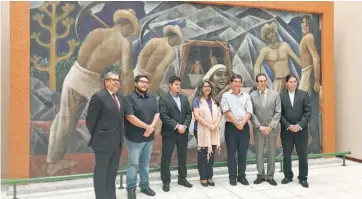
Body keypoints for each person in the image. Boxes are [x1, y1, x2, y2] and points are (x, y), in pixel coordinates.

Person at [46, 9, 138, 175]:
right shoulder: (125, 44)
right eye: (131, 30)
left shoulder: (96, 32)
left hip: (74, 74)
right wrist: (129, 96)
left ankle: (53, 162)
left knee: (64, 119)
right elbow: (126, 73)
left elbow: (86, 55)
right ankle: (111, 159)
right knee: (113, 118)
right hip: (90, 79)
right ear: (127, 25)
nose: (131, 33)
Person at [85, 72, 124, 199]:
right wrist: (99, 135)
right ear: (106, 82)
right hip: (103, 143)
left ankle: (111, 196)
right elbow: (90, 121)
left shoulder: (119, 96)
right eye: (113, 80)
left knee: (112, 172)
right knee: (101, 173)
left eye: (118, 80)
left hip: (117, 142)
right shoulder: (99, 97)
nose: (117, 82)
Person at [123, 75, 159, 199]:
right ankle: (131, 188)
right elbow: (129, 116)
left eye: (146, 82)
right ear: (135, 83)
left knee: (145, 163)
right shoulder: (129, 98)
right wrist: (147, 127)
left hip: (149, 137)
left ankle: (144, 186)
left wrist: (151, 128)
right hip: (134, 138)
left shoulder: (152, 97)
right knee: (133, 164)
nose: (145, 84)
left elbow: (157, 113)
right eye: (142, 82)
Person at [159, 76, 193, 192]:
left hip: (183, 133)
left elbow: (189, 113)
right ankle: (166, 181)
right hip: (169, 133)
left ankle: (182, 178)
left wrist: (184, 125)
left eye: (179, 84)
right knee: (166, 158)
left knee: (182, 156)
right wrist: (176, 126)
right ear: (170, 85)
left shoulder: (184, 98)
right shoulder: (164, 98)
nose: (178, 86)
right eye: (176, 84)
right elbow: (163, 115)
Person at [220, 74, 253, 186]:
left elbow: (249, 111)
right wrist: (236, 122)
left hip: (244, 127)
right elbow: (226, 111)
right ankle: (232, 177)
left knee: (243, 153)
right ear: (231, 83)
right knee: (231, 153)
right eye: (235, 81)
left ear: (242, 84)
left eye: (239, 81)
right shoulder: (226, 96)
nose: (237, 83)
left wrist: (242, 123)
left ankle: (242, 176)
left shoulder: (246, 96)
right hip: (231, 127)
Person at [280, 74, 311, 188]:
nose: (293, 83)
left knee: (302, 155)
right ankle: (288, 176)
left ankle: (303, 178)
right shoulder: (281, 96)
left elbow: (308, 112)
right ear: (286, 83)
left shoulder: (304, 95)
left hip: (301, 131)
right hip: (287, 131)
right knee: (286, 155)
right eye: (291, 82)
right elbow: (280, 114)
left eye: (295, 81)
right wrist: (288, 125)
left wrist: (299, 125)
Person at [250, 73, 281, 186]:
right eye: (260, 81)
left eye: (264, 81)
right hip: (259, 129)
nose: (263, 83)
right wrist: (259, 126)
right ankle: (260, 175)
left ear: (266, 82)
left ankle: (270, 176)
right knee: (259, 153)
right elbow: (251, 113)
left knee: (272, 153)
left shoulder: (275, 95)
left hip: (271, 129)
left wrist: (270, 126)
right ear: (257, 83)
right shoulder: (252, 95)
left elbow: (278, 112)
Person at [254, 22, 302, 93]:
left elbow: (297, 59)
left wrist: (307, 69)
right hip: (277, 81)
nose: (272, 34)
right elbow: (257, 66)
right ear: (266, 37)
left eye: (273, 32)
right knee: (276, 101)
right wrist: (258, 82)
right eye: (269, 33)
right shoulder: (265, 51)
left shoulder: (285, 46)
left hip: (289, 80)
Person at [135, 25, 184, 92]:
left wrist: (140, 71)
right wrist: (153, 87)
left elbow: (142, 55)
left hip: (137, 75)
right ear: (174, 37)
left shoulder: (154, 41)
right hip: (150, 80)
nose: (176, 44)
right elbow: (160, 69)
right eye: (177, 41)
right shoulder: (171, 52)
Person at [192, 80, 222, 187]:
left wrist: (215, 125)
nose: (207, 88)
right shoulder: (197, 100)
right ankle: (203, 177)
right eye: (205, 86)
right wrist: (210, 126)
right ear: (201, 88)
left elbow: (219, 114)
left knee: (211, 154)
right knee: (203, 154)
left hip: (214, 130)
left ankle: (210, 176)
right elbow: (197, 116)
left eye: (209, 86)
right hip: (201, 131)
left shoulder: (215, 100)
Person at [299, 15, 321, 94]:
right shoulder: (305, 37)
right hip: (305, 73)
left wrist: (317, 80)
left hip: (308, 73)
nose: (304, 25)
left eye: (307, 23)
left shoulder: (309, 37)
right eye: (303, 22)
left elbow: (316, 58)